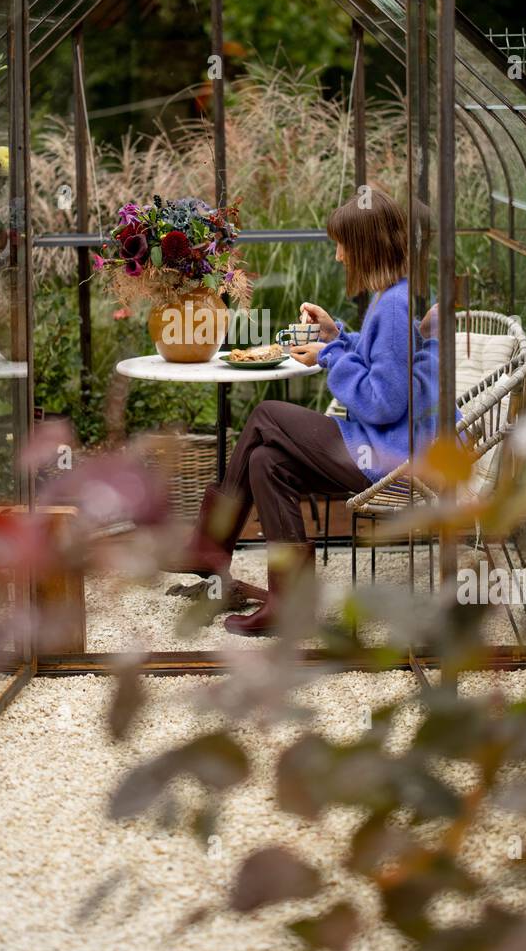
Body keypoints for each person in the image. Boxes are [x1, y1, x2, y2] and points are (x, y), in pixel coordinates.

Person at [166, 184, 440, 635]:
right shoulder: (391, 297)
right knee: (265, 460)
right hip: (384, 446)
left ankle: (210, 546)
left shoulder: (392, 305)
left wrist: (329, 356)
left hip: (388, 456)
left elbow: (383, 401)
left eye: (343, 244)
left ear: (365, 247)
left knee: (266, 415)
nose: (338, 256)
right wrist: (337, 336)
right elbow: (388, 364)